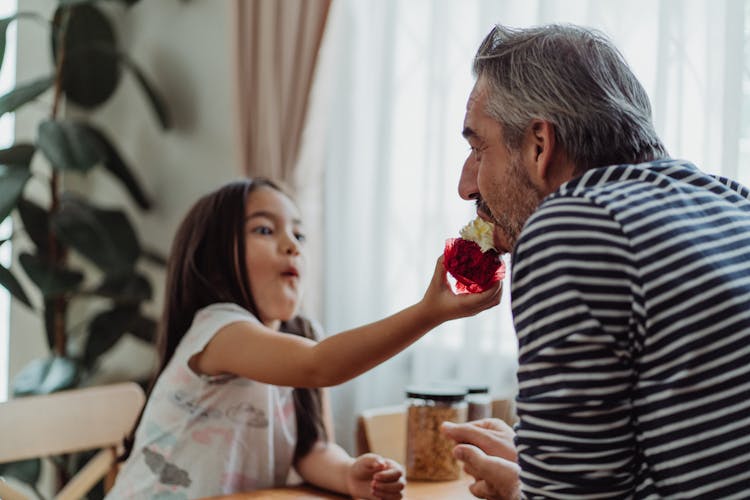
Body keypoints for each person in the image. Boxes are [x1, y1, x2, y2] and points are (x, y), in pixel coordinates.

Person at [440, 23, 750, 499]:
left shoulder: (575, 226)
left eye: (478, 147)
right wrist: (539, 470)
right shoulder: (731, 201)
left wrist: (522, 490)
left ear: (539, 144)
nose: (467, 186)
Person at [106, 178, 501, 499]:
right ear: (213, 261)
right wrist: (427, 313)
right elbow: (319, 365)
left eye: (299, 233)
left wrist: (348, 473)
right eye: (264, 229)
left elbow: (310, 448)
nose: (292, 244)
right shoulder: (218, 330)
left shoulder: (302, 336)